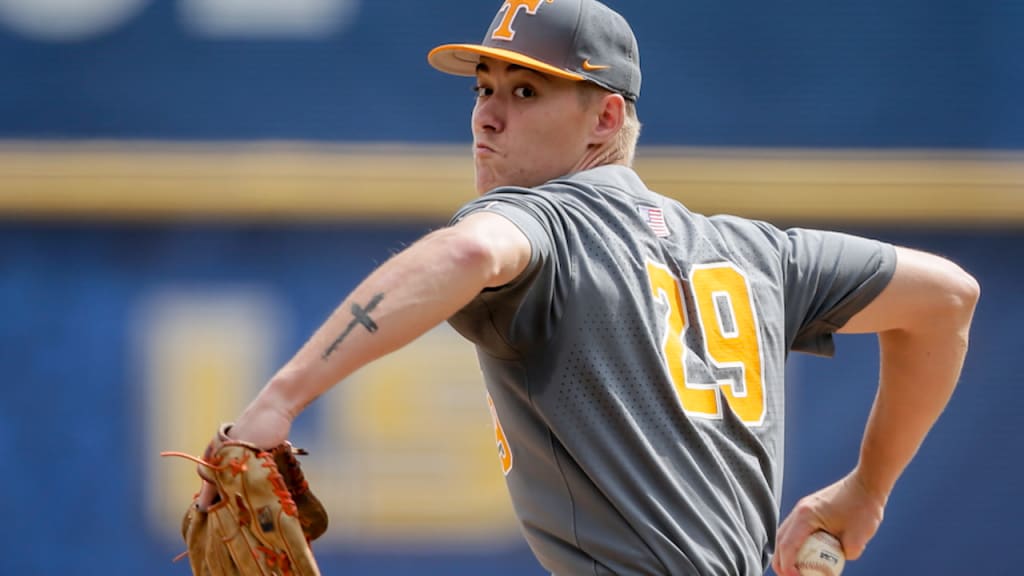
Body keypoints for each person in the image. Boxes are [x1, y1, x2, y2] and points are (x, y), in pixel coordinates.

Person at [204, 1, 980, 574]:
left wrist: (279, 399)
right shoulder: (758, 254)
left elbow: (471, 251)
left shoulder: (541, 223)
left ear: (605, 117)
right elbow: (947, 298)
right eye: (483, 88)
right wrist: (866, 490)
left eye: (527, 92)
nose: (487, 117)